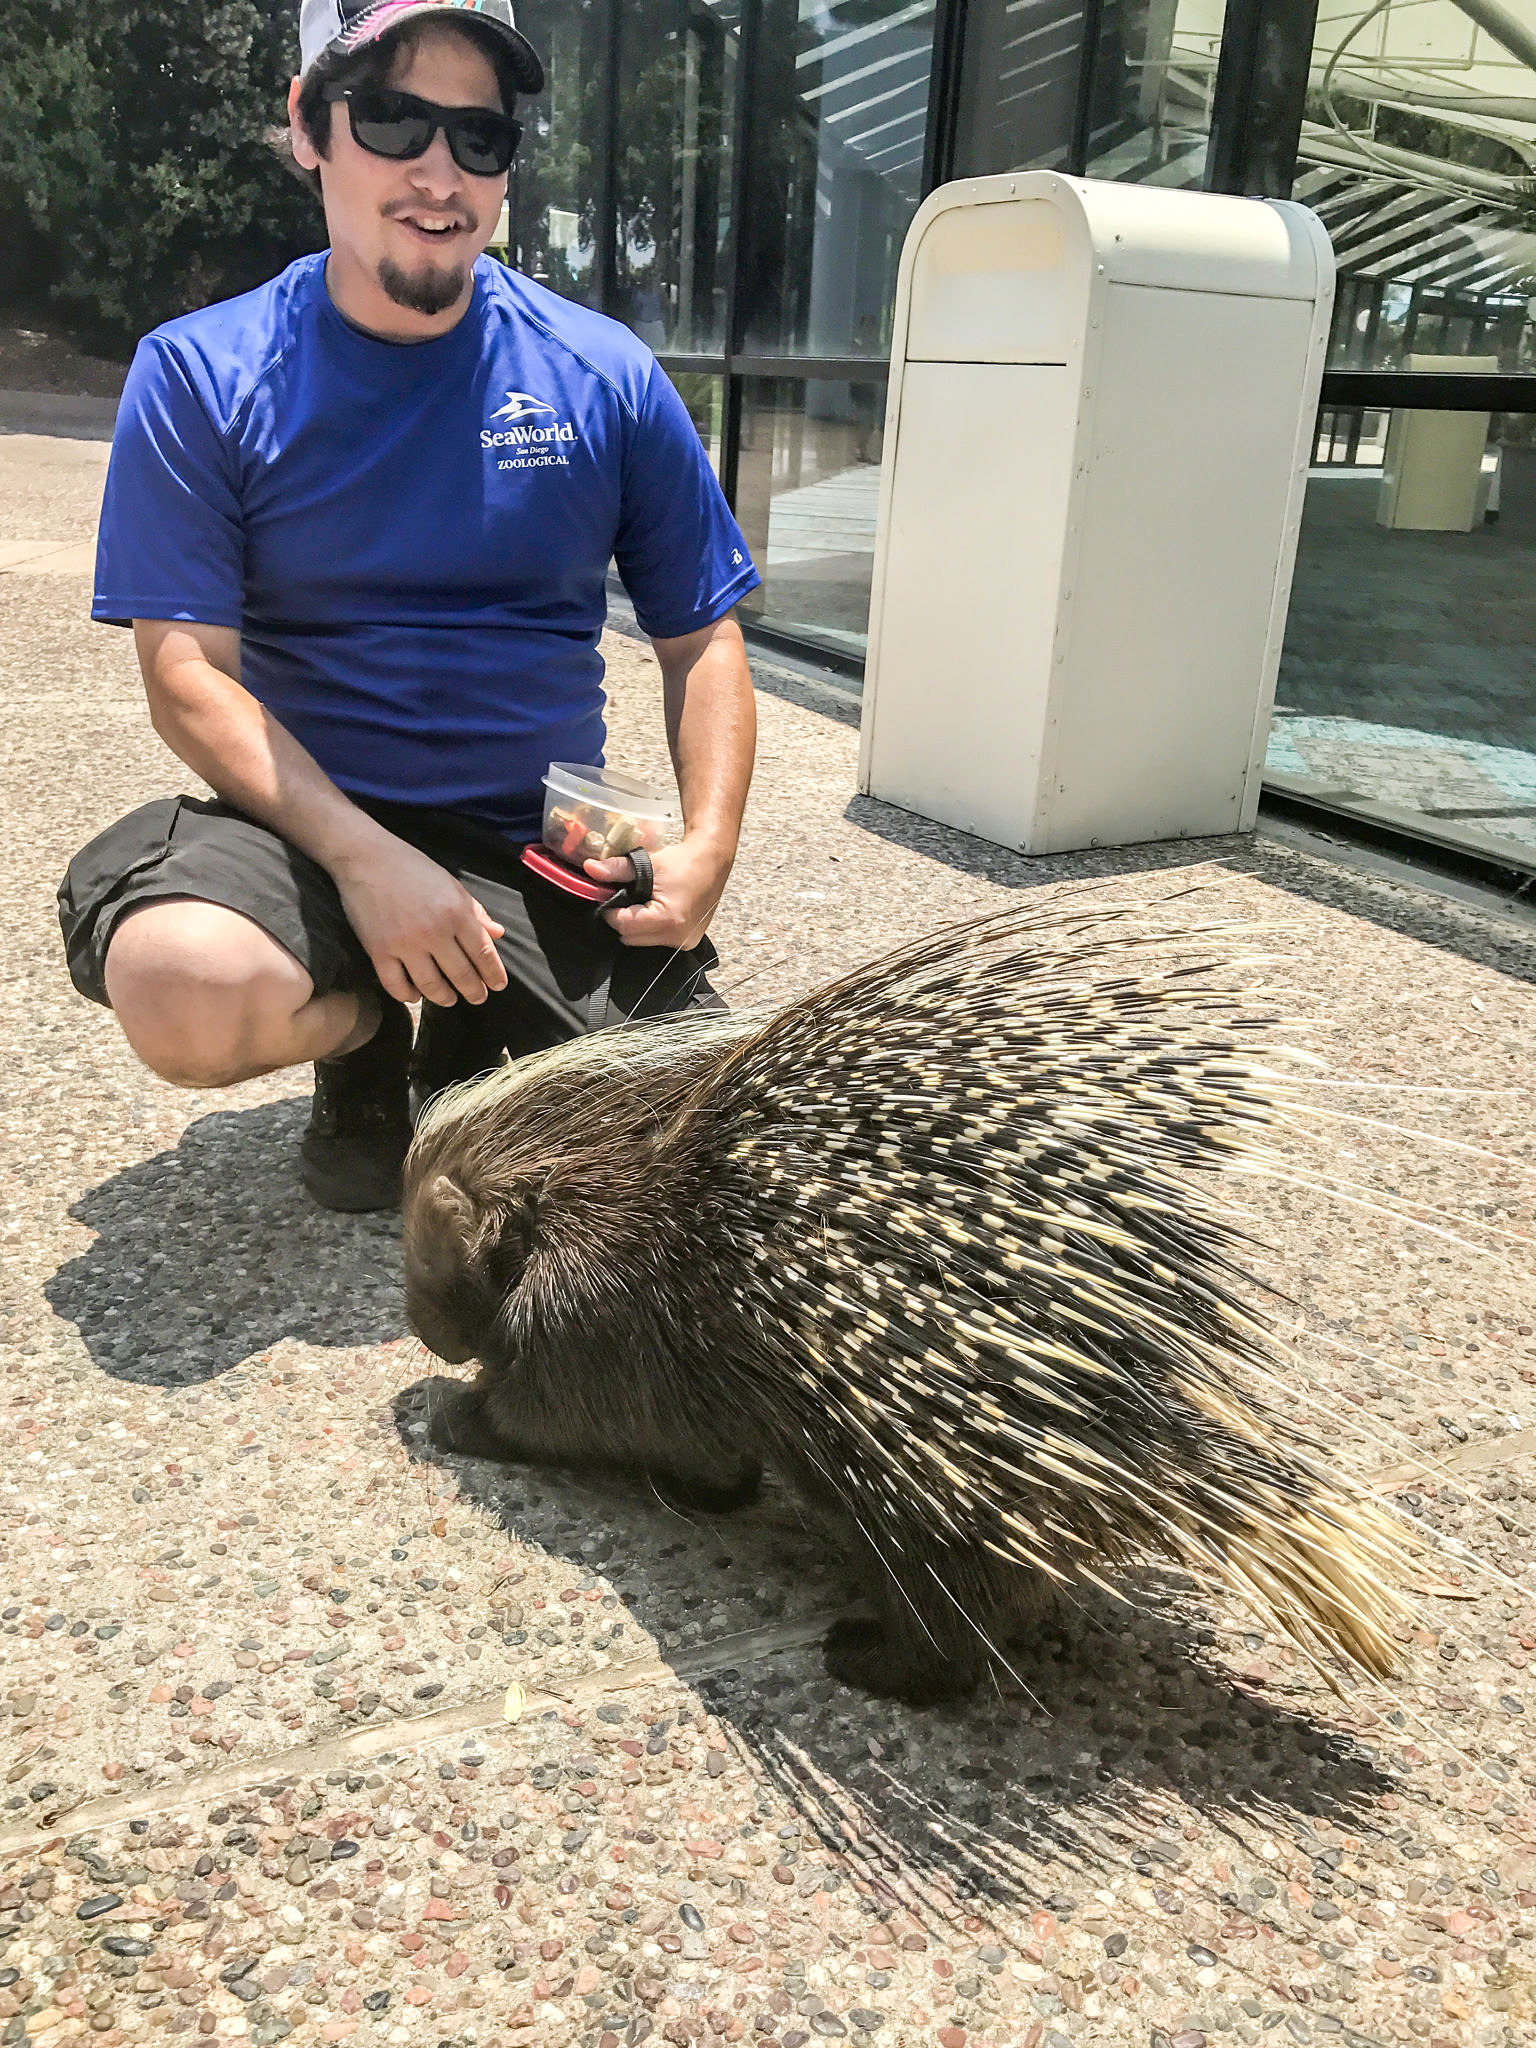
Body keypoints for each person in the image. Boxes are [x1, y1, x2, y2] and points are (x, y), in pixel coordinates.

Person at [58, 0, 760, 1213]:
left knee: (707, 1143)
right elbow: (186, 675)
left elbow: (702, 633)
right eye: (392, 118)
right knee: (181, 980)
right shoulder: (201, 371)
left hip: (537, 833)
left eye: (479, 138)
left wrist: (707, 847)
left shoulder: (604, 373)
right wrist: (366, 860)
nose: (438, 172)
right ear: (309, 128)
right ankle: (367, 1030)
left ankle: (476, 1008)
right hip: (309, 826)